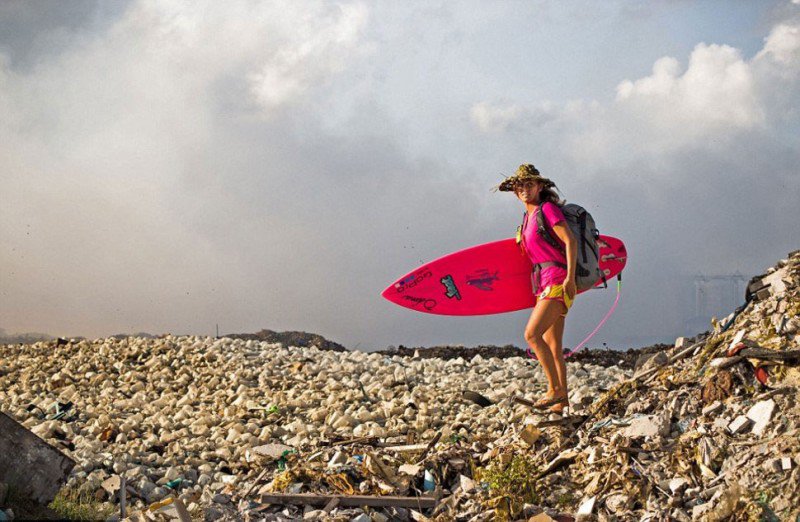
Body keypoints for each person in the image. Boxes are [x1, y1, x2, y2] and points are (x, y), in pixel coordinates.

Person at [497, 164, 578, 414]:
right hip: (544, 283)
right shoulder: (527, 218)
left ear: (540, 186)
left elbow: (570, 241)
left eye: (529, 184)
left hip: (557, 280)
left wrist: (570, 279)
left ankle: (554, 390)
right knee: (553, 346)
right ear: (515, 192)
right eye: (520, 186)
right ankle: (561, 405)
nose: (524, 189)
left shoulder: (548, 209)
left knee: (532, 335)